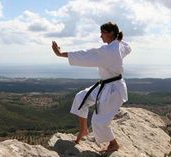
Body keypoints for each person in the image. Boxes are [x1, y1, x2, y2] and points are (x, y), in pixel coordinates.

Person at [51, 21, 131, 152]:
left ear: (111, 33)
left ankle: (113, 144)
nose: (100, 36)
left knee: (98, 122)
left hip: (114, 90)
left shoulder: (109, 50)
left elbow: (86, 54)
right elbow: (128, 47)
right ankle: (83, 129)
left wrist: (61, 54)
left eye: (102, 33)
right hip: (106, 85)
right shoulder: (119, 46)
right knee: (80, 97)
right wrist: (119, 40)